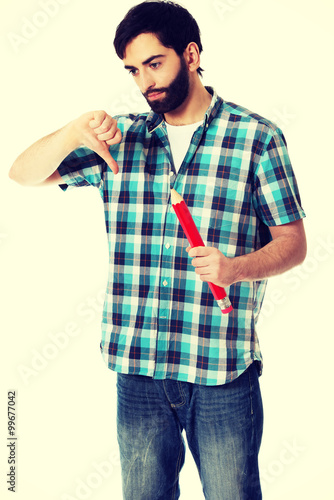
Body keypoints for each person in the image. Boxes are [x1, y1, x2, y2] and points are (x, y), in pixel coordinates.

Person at [9, 1, 307, 498]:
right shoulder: (118, 141)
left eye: (155, 63)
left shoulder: (257, 138)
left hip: (221, 370)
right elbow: (21, 173)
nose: (145, 81)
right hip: (139, 369)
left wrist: (234, 268)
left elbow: (293, 244)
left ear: (190, 55)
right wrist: (72, 132)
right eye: (132, 70)